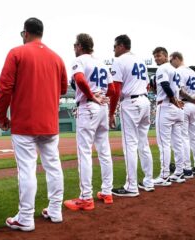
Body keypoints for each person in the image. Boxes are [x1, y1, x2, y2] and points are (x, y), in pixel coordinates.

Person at [0, 17, 67, 231]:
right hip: (49, 123)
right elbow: (63, 89)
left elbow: (5, 88)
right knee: (53, 166)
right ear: (41, 32)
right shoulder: (57, 58)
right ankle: (55, 210)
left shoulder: (17, 52)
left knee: (27, 169)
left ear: (25, 33)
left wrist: (2, 117)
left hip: (24, 123)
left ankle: (26, 217)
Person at [63, 33, 115, 210]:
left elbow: (78, 79)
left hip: (88, 106)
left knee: (84, 152)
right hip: (102, 108)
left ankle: (86, 198)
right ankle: (107, 192)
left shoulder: (80, 60)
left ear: (80, 46)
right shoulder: (102, 63)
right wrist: (101, 96)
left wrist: (92, 95)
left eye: (75, 44)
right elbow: (113, 89)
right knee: (104, 151)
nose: (73, 47)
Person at [109, 35, 155, 196]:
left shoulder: (120, 61)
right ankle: (149, 182)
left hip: (131, 102)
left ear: (121, 46)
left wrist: (111, 112)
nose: (113, 49)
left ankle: (131, 186)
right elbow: (148, 85)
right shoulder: (140, 60)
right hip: (144, 100)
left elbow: (115, 90)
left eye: (115, 46)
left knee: (130, 145)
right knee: (143, 143)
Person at [151, 47, 185, 186]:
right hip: (177, 108)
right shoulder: (175, 70)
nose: (156, 58)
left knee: (164, 143)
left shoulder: (162, 69)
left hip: (166, 105)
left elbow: (165, 84)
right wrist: (176, 100)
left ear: (166, 56)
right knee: (177, 142)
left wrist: (172, 99)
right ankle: (179, 172)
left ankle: (164, 176)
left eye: (159, 56)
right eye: (155, 56)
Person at [169, 52, 195, 179]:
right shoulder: (193, 73)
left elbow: (181, 91)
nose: (171, 63)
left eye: (172, 60)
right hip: (193, 106)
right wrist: (194, 100)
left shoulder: (180, 71)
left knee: (183, 138)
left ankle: (187, 168)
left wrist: (191, 100)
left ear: (177, 58)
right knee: (194, 136)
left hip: (185, 104)